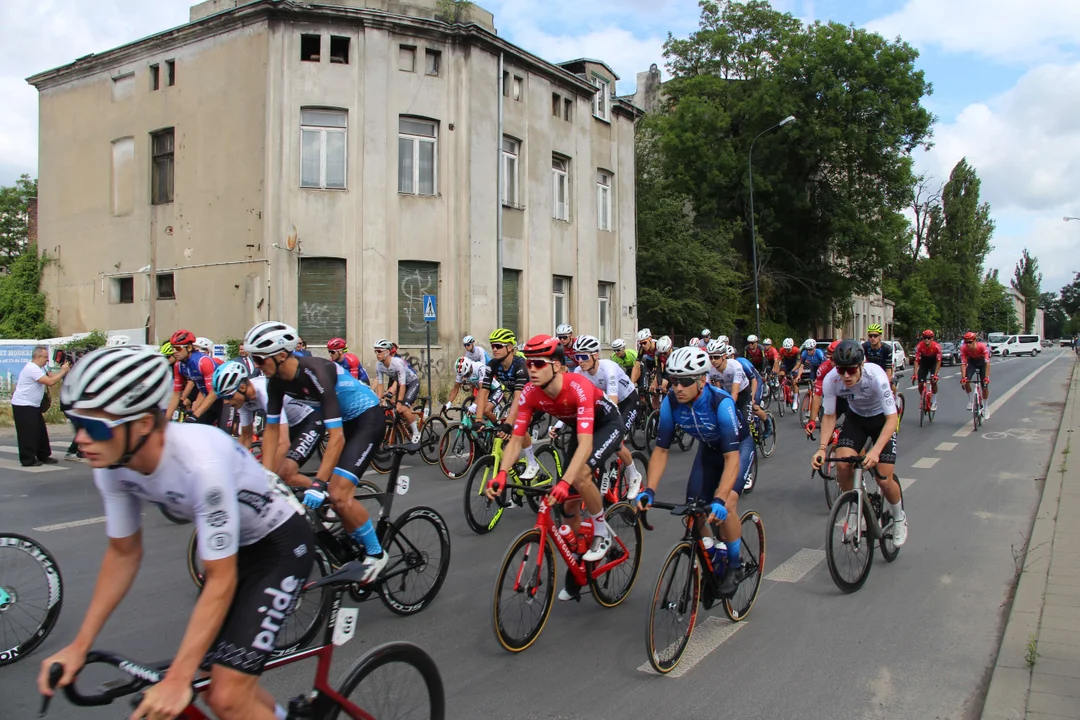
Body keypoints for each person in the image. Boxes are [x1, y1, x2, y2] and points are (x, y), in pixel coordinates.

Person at [39, 345, 314, 720]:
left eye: (94, 427)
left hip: (280, 544)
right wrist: (79, 645)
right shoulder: (112, 466)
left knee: (225, 697)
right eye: (76, 425)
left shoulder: (201, 463)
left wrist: (177, 679)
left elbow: (220, 579)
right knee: (213, 684)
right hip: (239, 546)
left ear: (142, 423)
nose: (81, 439)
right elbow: (122, 554)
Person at [245, 321, 388, 584]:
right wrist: (266, 476)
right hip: (342, 421)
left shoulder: (316, 371)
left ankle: (377, 554)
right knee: (332, 495)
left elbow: (336, 437)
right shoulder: (275, 382)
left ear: (280, 355)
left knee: (337, 493)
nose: (256, 365)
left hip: (366, 418)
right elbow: (272, 433)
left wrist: (319, 484)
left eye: (259, 358)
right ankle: (351, 535)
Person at [484, 335, 625, 600]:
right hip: (580, 429)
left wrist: (563, 482)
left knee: (580, 474)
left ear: (557, 366)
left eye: (539, 364)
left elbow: (584, 447)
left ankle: (602, 530)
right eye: (529, 365)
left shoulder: (578, 387)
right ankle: (578, 569)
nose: (532, 370)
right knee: (568, 507)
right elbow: (516, 439)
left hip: (606, 424)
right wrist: (501, 474)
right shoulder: (530, 393)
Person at [636, 346, 752, 598]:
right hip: (709, 449)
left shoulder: (720, 403)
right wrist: (650, 490)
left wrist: (721, 498)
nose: (677, 387)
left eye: (684, 381)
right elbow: (661, 450)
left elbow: (732, 459)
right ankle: (712, 554)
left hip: (737, 450)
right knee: (693, 508)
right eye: (674, 379)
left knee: (728, 504)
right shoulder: (670, 402)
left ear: (702, 380)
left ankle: (734, 563)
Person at [811, 339, 907, 547]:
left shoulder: (877, 377)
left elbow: (892, 420)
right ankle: (855, 511)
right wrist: (821, 448)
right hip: (857, 419)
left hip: (882, 420)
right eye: (841, 370)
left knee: (883, 478)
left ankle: (899, 517)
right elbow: (829, 416)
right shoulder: (831, 380)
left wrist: (875, 452)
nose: (846, 375)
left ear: (861, 365)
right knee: (843, 465)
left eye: (851, 370)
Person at [213, 361, 320, 490]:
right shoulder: (243, 401)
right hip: (292, 425)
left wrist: (266, 479)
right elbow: (246, 437)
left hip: (310, 421)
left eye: (228, 396)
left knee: (284, 474)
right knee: (275, 472)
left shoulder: (265, 392)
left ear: (241, 387)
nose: (226, 402)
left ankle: (323, 496)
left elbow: (282, 442)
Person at [559, 335, 644, 496]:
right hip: (605, 403)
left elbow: (613, 401)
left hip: (627, 401)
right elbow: (575, 402)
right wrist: (558, 425)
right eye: (577, 357)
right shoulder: (578, 371)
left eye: (584, 356)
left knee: (615, 439)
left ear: (596, 355)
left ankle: (634, 474)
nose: (580, 361)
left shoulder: (608, 368)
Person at [476, 328, 540, 479]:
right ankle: (517, 482)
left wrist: (509, 424)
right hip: (521, 397)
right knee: (508, 444)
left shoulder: (520, 365)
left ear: (510, 347)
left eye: (498, 346)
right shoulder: (493, 364)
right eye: (492, 346)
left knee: (519, 425)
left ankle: (532, 462)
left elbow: (519, 397)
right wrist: (478, 420)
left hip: (537, 397)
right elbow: (484, 392)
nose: (494, 349)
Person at [11, 346, 70, 466]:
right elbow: (50, 382)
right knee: (28, 433)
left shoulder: (39, 368)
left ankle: (43, 455)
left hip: (33, 405)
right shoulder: (32, 368)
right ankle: (28, 459)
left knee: (40, 431)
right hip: (23, 405)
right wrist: (63, 371)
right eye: (45, 358)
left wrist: (59, 371)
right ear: (38, 356)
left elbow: (51, 378)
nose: (47, 360)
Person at [166, 330, 225, 428]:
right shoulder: (179, 365)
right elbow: (176, 393)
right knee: (197, 430)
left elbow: (213, 393)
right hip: (210, 399)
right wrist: (166, 420)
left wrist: (195, 415)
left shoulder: (203, 362)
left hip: (226, 399)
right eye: (173, 348)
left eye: (178, 348)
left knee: (224, 433)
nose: (174, 351)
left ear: (189, 347)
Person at [372, 338, 421, 443]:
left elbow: (402, 385)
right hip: (400, 383)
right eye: (375, 351)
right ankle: (406, 423)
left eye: (379, 351)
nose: (377, 354)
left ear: (387, 352)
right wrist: (378, 400)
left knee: (402, 408)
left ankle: (416, 432)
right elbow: (380, 385)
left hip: (411, 382)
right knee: (391, 405)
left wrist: (399, 402)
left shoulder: (397, 363)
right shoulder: (379, 365)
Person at [960, 331, 992, 419]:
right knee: (966, 380)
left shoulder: (982, 346)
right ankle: (971, 401)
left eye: (969, 342)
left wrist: (986, 377)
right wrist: (963, 378)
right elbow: (963, 364)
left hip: (982, 363)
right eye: (966, 342)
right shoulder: (963, 348)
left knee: (984, 387)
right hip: (972, 363)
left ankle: (985, 408)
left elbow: (987, 363)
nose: (968, 344)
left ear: (974, 340)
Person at [913, 329, 943, 412]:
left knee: (933, 381)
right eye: (925, 338)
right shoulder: (919, 346)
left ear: (932, 338)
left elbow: (938, 361)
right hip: (924, 363)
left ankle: (934, 401)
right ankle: (923, 398)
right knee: (920, 383)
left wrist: (936, 374)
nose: (927, 340)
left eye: (929, 338)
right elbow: (916, 361)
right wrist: (915, 374)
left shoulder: (936, 347)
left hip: (933, 363)